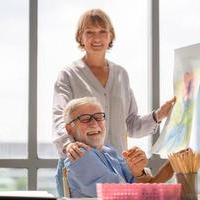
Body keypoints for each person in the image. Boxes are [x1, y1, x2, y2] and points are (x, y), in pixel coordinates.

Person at [53, 8, 176, 196]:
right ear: (80, 37)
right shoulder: (69, 75)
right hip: (81, 160)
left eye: (103, 31)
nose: (97, 38)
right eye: (90, 32)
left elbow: (132, 125)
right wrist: (68, 144)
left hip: (116, 163)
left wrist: (159, 115)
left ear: (111, 36)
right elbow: (60, 118)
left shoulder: (121, 75)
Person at [62, 97, 180, 198]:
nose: (94, 123)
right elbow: (128, 196)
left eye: (99, 117)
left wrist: (139, 172)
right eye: (85, 118)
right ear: (69, 129)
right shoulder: (79, 154)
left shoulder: (109, 152)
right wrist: (169, 168)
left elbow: (144, 187)